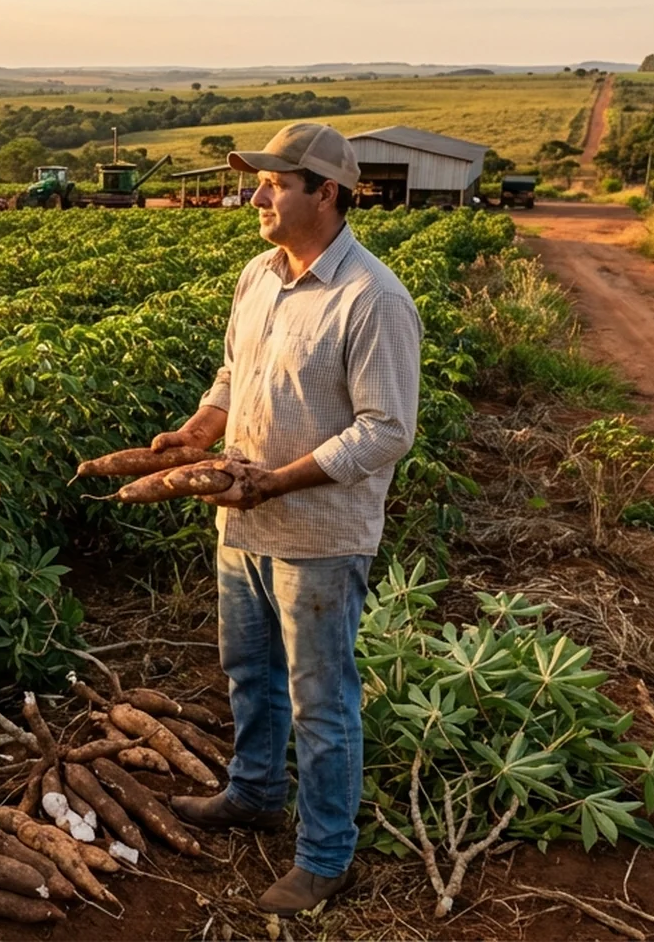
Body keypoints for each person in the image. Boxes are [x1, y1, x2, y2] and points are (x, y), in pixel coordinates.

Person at [149, 122, 422, 914]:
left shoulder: (373, 298)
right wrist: (200, 429)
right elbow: (238, 371)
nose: (258, 196)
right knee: (249, 676)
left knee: (320, 699)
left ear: (326, 192)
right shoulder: (257, 277)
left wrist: (277, 482)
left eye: (276, 183)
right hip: (243, 524)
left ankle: (326, 856)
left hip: (319, 539)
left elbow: (386, 429)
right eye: (259, 181)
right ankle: (255, 793)